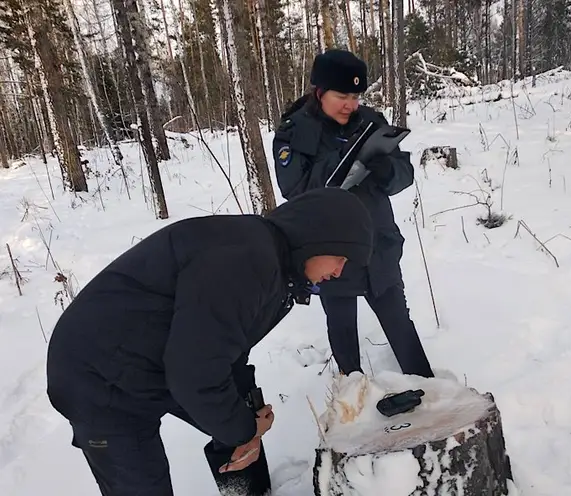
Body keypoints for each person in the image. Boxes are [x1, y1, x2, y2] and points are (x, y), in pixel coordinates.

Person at [45, 187, 374, 496]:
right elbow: (194, 373)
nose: (338, 273)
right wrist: (244, 429)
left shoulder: (272, 263)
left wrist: (248, 416)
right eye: (341, 259)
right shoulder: (247, 260)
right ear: (319, 238)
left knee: (239, 420)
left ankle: (248, 491)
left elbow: (224, 348)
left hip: (155, 358)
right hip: (97, 377)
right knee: (145, 482)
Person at [272, 49, 434, 379]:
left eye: (356, 96)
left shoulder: (371, 122)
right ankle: (353, 398)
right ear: (320, 92)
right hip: (331, 257)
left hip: (380, 247)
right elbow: (296, 192)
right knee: (343, 330)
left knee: (399, 323)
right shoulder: (294, 133)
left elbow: (405, 174)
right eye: (341, 96)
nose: (350, 104)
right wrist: (347, 161)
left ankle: (430, 393)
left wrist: (386, 169)